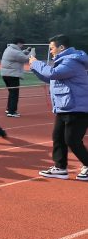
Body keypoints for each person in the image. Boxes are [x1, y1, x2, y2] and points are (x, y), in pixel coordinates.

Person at [30, 35, 88, 181]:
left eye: (52, 48)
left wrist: (36, 63)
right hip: (64, 106)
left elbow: (53, 74)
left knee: (72, 140)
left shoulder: (71, 61)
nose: (50, 51)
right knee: (58, 138)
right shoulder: (63, 61)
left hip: (77, 107)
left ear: (61, 48)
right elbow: (49, 77)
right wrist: (34, 67)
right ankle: (60, 168)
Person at [0, 38, 30, 117]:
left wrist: (25, 51)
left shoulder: (9, 48)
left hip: (6, 74)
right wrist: (32, 53)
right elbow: (25, 58)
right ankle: (12, 111)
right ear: (19, 43)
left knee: (11, 93)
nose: (22, 46)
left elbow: (19, 55)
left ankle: (9, 109)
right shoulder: (15, 52)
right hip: (12, 75)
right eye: (22, 44)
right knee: (14, 94)